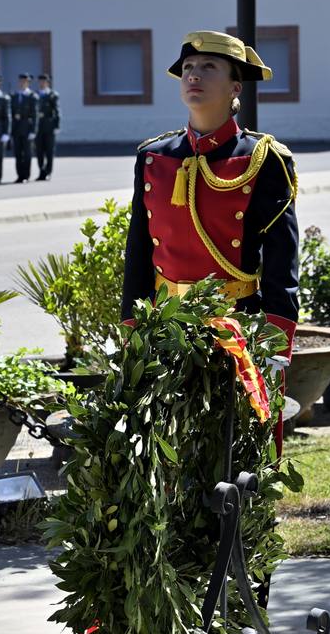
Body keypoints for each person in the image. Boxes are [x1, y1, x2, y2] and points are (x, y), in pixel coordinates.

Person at [121, 30, 299, 429]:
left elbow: (281, 261)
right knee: (166, 447)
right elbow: (138, 252)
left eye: (208, 67)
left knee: (235, 447)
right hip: (166, 324)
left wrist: (274, 341)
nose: (193, 76)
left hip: (238, 323)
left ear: (236, 86)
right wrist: (133, 329)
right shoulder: (153, 156)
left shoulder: (264, 159)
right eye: (187, 68)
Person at [10, 72, 38, 183]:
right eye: (21, 81)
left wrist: (33, 130)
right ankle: (19, 175)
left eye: (24, 82)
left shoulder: (32, 96)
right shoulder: (15, 96)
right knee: (17, 153)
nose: (22, 83)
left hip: (27, 128)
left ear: (28, 83)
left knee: (27, 153)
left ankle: (26, 175)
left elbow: (35, 115)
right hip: (17, 128)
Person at [35, 73, 61, 181]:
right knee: (39, 151)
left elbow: (57, 111)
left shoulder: (52, 95)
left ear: (47, 82)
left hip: (49, 126)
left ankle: (48, 172)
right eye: (40, 81)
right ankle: (41, 171)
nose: (42, 83)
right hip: (38, 127)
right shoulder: (35, 95)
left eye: (44, 81)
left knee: (49, 151)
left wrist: (56, 126)